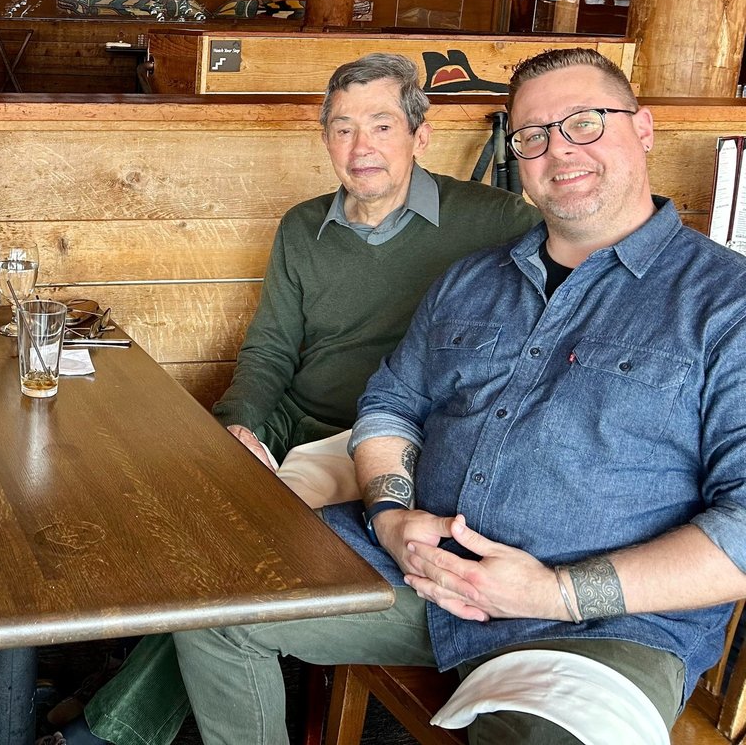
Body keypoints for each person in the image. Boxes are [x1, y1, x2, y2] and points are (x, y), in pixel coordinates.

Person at [176, 47, 746, 744]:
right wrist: (389, 515)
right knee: (209, 589)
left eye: (586, 123)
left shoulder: (726, 303)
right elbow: (390, 405)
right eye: (533, 135)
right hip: (410, 570)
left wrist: (553, 592)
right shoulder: (471, 280)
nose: (557, 149)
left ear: (644, 128)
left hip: (598, 624)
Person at [47, 53, 538, 745]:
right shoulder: (303, 226)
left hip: (401, 449)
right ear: (325, 140)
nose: (360, 148)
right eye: (342, 129)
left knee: (234, 557)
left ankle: (115, 725)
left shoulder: (493, 220)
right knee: (168, 496)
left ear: (420, 137)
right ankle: (118, 713)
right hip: (299, 431)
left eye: (381, 126)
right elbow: (271, 352)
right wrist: (240, 425)